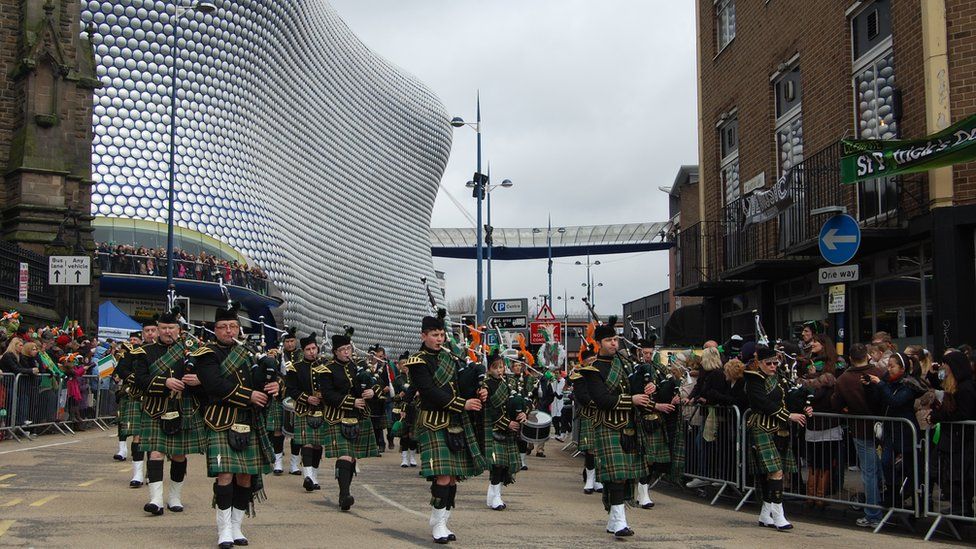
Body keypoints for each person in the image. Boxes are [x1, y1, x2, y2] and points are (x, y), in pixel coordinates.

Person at [193, 303, 277, 549]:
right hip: (220, 419)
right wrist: (248, 396)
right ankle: (223, 530)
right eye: (223, 327)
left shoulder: (252, 353)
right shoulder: (207, 354)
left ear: (239, 329)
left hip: (247, 420)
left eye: (233, 326)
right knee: (225, 474)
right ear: (215, 330)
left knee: (244, 477)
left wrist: (275, 386)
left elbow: (264, 380)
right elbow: (213, 385)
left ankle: (237, 526)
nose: (228, 331)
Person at [405, 308, 487, 544]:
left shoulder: (451, 357)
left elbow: (461, 383)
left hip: (454, 421)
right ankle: (438, 524)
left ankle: (442, 517)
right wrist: (463, 404)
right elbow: (430, 392)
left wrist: (479, 390)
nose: (439, 339)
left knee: (452, 478)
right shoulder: (417, 362)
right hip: (432, 421)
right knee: (443, 476)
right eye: (434, 335)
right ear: (423, 336)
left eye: (441, 334)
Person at [131, 308, 206, 516]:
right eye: (163, 328)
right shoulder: (145, 352)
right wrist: (165, 382)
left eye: (171, 328)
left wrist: (198, 380)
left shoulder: (192, 350)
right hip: (156, 408)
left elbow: (206, 376)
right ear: (157, 330)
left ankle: (174, 497)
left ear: (178, 329)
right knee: (156, 452)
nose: (167, 332)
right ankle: (155, 500)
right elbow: (140, 380)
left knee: (179, 455)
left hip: (184, 407)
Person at [578, 316, 644, 539]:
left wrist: (647, 389)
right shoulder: (593, 369)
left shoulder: (625, 365)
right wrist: (631, 400)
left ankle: (614, 519)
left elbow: (634, 388)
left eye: (615, 339)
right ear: (599, 343)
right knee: (616, 475)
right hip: (607, 425)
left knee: (624, 476)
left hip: (628, 425)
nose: (614, 344)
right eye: (609, 340)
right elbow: (602, 399)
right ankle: (620, 523)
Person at [745, 346, 812, 530]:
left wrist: (803, 407)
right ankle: (779, 514)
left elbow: (789, 399)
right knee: (775, 471)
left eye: (776, 362)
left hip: (780, 429)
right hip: (762, 427)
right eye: (769, 363)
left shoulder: (781, 378)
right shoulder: (753, 379)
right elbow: (761, 402)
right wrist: (788, 416)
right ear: (760, 363)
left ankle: (765, 514)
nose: (774, 366)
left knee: (772, 473)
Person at [317, 328, 379, 511]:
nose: (346, 352)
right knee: (344, 454)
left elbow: (367, 385)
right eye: (343, 350)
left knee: (351, 457)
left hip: (357, 416)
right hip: (337, 416)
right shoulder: (326, 370)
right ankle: (344, 494)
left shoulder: (356, 366)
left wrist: (371, 391)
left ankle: (346, 490)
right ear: (335, 352)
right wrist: (352, 402)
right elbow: (328, 395)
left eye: (348, 349)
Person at [831, 343, 886, 528]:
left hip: (861, 428)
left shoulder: (844, 379)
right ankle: (880, 506)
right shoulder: (879, 372)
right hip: (883, 427)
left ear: (850, 359)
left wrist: (846, 409)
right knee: (877, 468)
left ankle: (873, 514)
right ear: (867, 356)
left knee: (869, 471)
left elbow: (836, 403)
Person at [865, 352, 926, 509]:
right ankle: (893, 496)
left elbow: (895, 401)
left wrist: (880, 385)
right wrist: (869, 387)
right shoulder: (886, 382)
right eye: (888, 365)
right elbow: (876, 402)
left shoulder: (909, 385)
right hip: (891, 431)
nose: (889, 369)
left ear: (902, 368)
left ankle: (919, 502)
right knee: (886, 462)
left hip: (906, 432)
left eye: (892, 366)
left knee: (911, 468)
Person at [926, 350, 976, 517]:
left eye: (946, 364)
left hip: (961, 439)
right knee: (944, 471)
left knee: (958, 475)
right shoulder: (954, 384)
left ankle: (962, 507)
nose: (943, 367)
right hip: (952, 438)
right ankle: (958, 505)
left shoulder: (966, 388)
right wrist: (932, 374)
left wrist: (938, 416)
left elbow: (962, 413)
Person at [629, 337, 677, 509]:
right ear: (637, 352)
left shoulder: (660, 369)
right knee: (642, 459)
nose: (648, 356)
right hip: (638, 418)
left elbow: (671, 385)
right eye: (645, 353)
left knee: (653, 459)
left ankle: (643, 490)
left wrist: (674, 395)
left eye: (650, 353)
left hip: (656, 419)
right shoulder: (632, 370)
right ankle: (638, 493)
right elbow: (636, 396)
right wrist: (657, 405)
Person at [797, 335, 839, 508]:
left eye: (816, 342)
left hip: (827, 418)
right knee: (814, 462)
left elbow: (825, 391)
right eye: (812, 341)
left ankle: (820, 496)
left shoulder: (832, 367)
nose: (812, 344)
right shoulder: (808, 363)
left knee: (825, 462)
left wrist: (809, 382)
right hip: (813, 420)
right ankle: (811, 495)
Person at [482, 349, 526, 510]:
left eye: (501, 367)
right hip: (494, 428)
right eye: (495, 367)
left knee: (504, 465)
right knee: (497, 464)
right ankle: (496, 496)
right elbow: (489, 409)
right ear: (489, 369)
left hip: (508, 430)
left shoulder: (509, 383)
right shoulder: (485, 385)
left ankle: (494, 494)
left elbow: (517, 402)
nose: (499, 370)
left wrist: (522, 412)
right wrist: (506, 423)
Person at [284, 333, 327, 492]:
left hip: (322, 410)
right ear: (303, 351)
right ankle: (308, 476)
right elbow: (291, 389)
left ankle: (314, 476)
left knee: (317, 445)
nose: (311, 352)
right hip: (304, 409)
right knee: (307, 442)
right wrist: (306, 398)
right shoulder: (295, 367)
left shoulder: (326, 365)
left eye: (314, 348)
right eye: (308, 349)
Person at [568, 349, 603, 495]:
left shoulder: (601, 373)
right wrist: (595, 402)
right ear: (584, 362)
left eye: (594, 359)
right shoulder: (580, 375)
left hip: (602, 413)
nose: (592, 362)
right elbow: (580, 395)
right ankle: (589, 479)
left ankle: (598, 480)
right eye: (590, 360)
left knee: (600, 448)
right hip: (589, 413)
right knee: (590, 448)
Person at [279, 327, 304, 475]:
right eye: (287, 341)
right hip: (281, 394)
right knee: (278, 431)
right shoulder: (278, 355)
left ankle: (294, 464)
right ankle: (278, 462)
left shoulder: (301, 355)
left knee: (296, 432)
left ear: (296, 341)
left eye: (292, 341)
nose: (289, 344)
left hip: (296, 396)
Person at [393, 352, 419, 467]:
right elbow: (393, 396)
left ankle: (412, 457)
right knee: (404, 434)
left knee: (413, 434)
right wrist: (400, 396)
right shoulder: (398, 379)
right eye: (402, 363)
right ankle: (404, 458)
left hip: (415, 408)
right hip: (402, 409)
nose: (405, 365)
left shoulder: (416, 378)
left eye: (406, 363)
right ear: (399, 365)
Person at [367, 344, 391, 453]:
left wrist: (385, 388)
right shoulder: (364, 367)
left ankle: (380, 444)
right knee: (369, 423)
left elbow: (387, 383)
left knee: (378, 425)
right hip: (367, 400)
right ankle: (370, 445)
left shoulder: (383, 367)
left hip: (379, 401)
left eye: (374, 355)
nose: (372, 358)